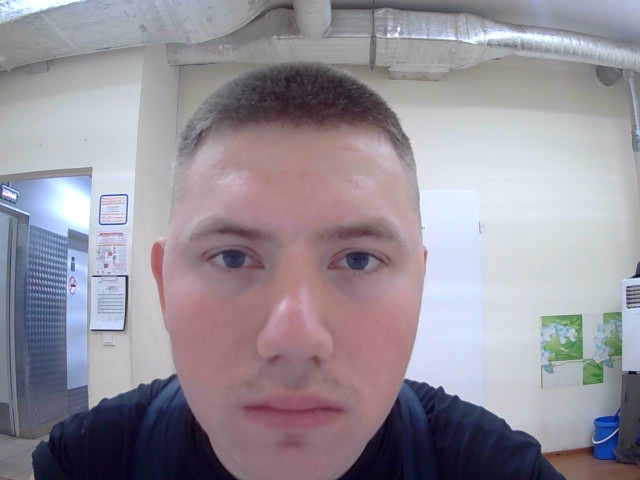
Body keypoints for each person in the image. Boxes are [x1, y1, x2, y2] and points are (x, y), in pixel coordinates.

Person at [31, 63, 565, 480]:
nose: (294, 339)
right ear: (163, 285)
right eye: (232, 256)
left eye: (358, 259)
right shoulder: (85, 462)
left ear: (420, 286)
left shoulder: (494, 468)